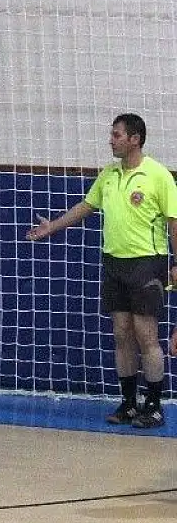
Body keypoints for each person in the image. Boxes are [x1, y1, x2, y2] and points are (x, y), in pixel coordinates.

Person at [28, 113, 175, 429]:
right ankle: (129, 403)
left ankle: (154, 406)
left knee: (146, 335)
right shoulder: (109, 175)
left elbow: (174, 223)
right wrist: (53, 226)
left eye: (117, 135)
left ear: (134, 139)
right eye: (112, 135)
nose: (111, 140)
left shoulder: (158, 175)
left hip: (147, 263)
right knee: (121, 334)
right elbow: (86, 206)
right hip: (114, 263)